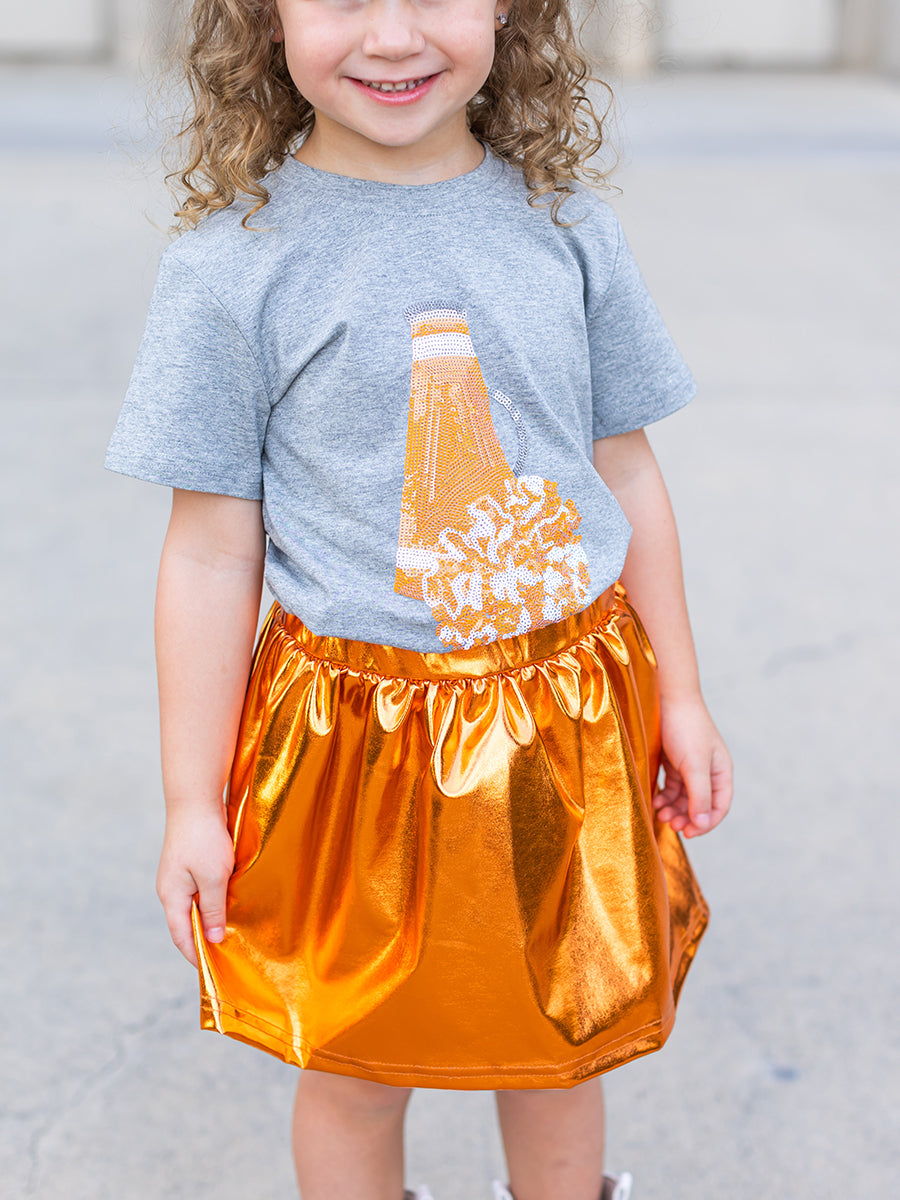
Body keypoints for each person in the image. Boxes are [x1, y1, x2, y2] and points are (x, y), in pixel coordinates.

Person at [105, 0, 733, 1197]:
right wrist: (194, 801)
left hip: (569, 728)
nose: (392, 35)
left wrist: (686, 696)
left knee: (561, 1035)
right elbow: (206, 556)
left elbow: (627, 472)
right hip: (355, 748)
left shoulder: (567, 229)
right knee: (353, 1059)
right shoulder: (234, 265)